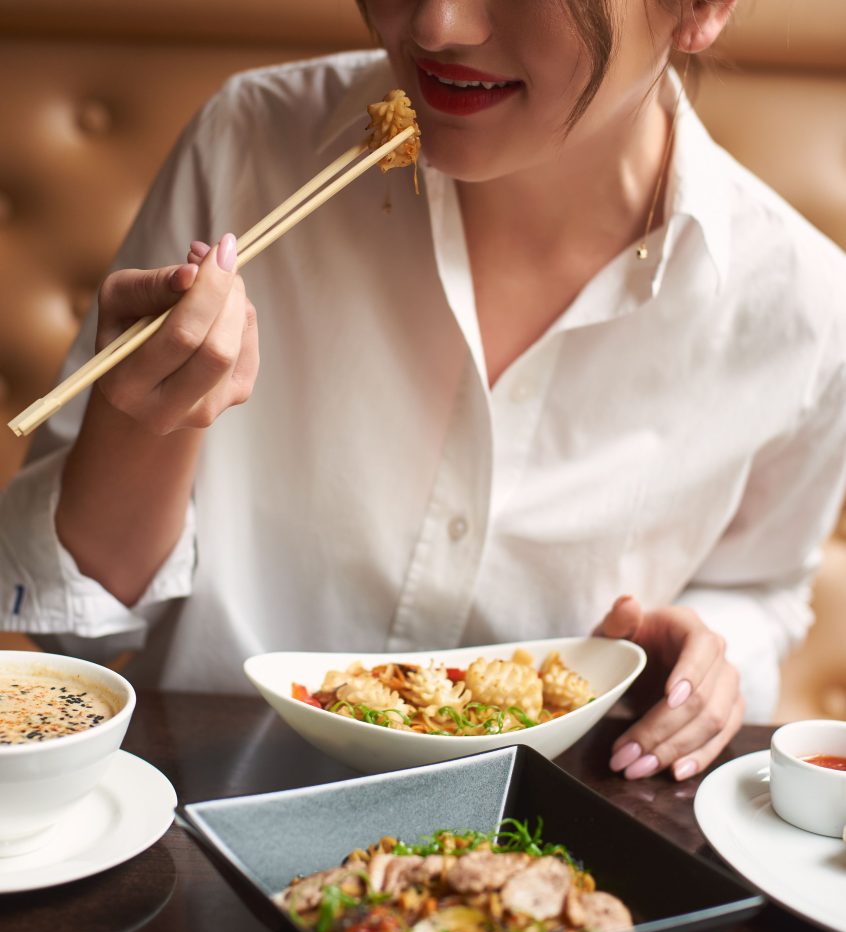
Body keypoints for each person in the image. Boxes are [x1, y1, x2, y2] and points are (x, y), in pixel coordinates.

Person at [2, 0, 845, 784]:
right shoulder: (252, 142)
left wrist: (707, 650)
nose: (437, 25)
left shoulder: (802, 311)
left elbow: (760, 588)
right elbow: (70, 634)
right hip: (192, 821)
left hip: (544, 850)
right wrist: (145, 423)